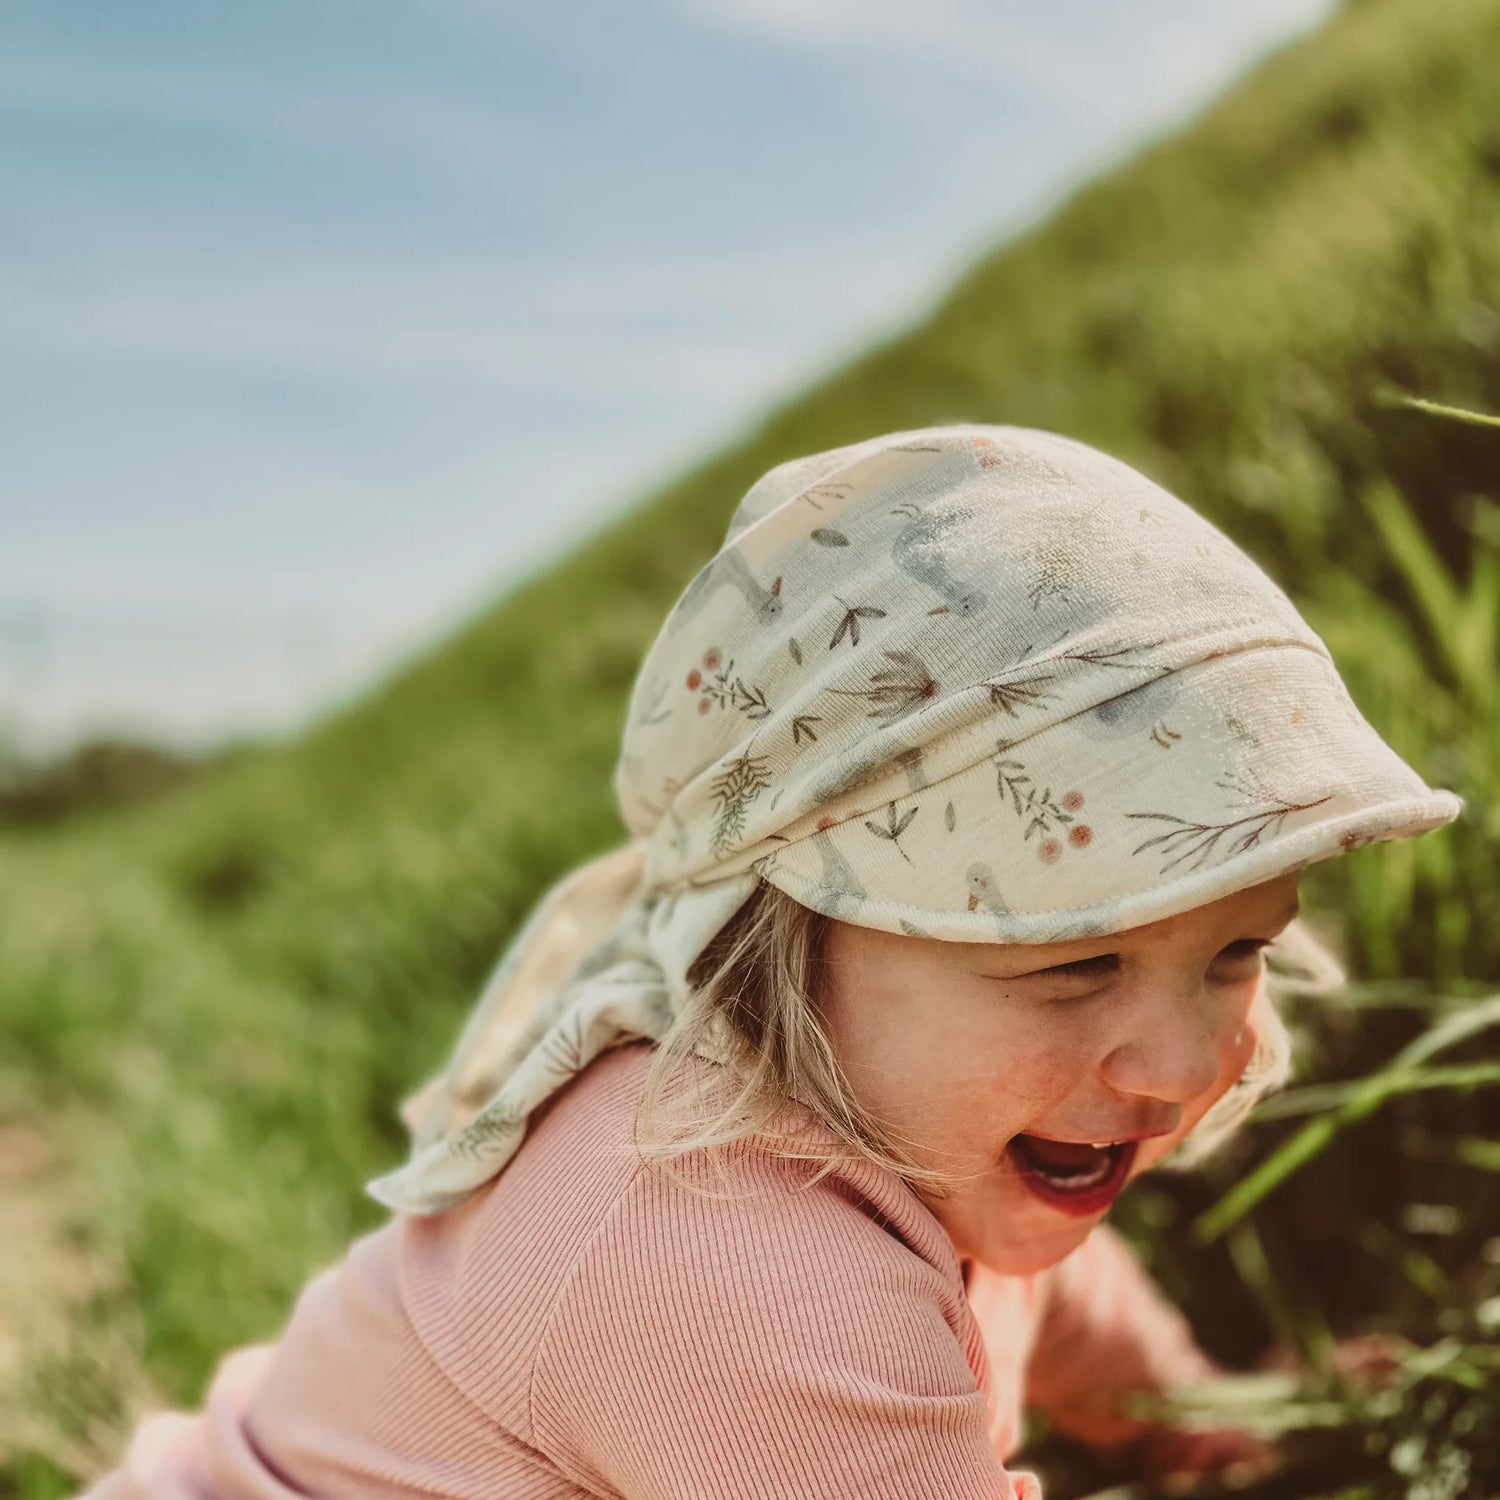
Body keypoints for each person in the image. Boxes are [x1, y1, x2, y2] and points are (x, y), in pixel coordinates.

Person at [81, 425, 1459, 1499]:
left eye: (1234, 956)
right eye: (1072, 967)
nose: (1174, 1069)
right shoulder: (735, 1266)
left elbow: (1063, 1290)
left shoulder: (948, 1126)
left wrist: (1200, 1426)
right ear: (793, 936)